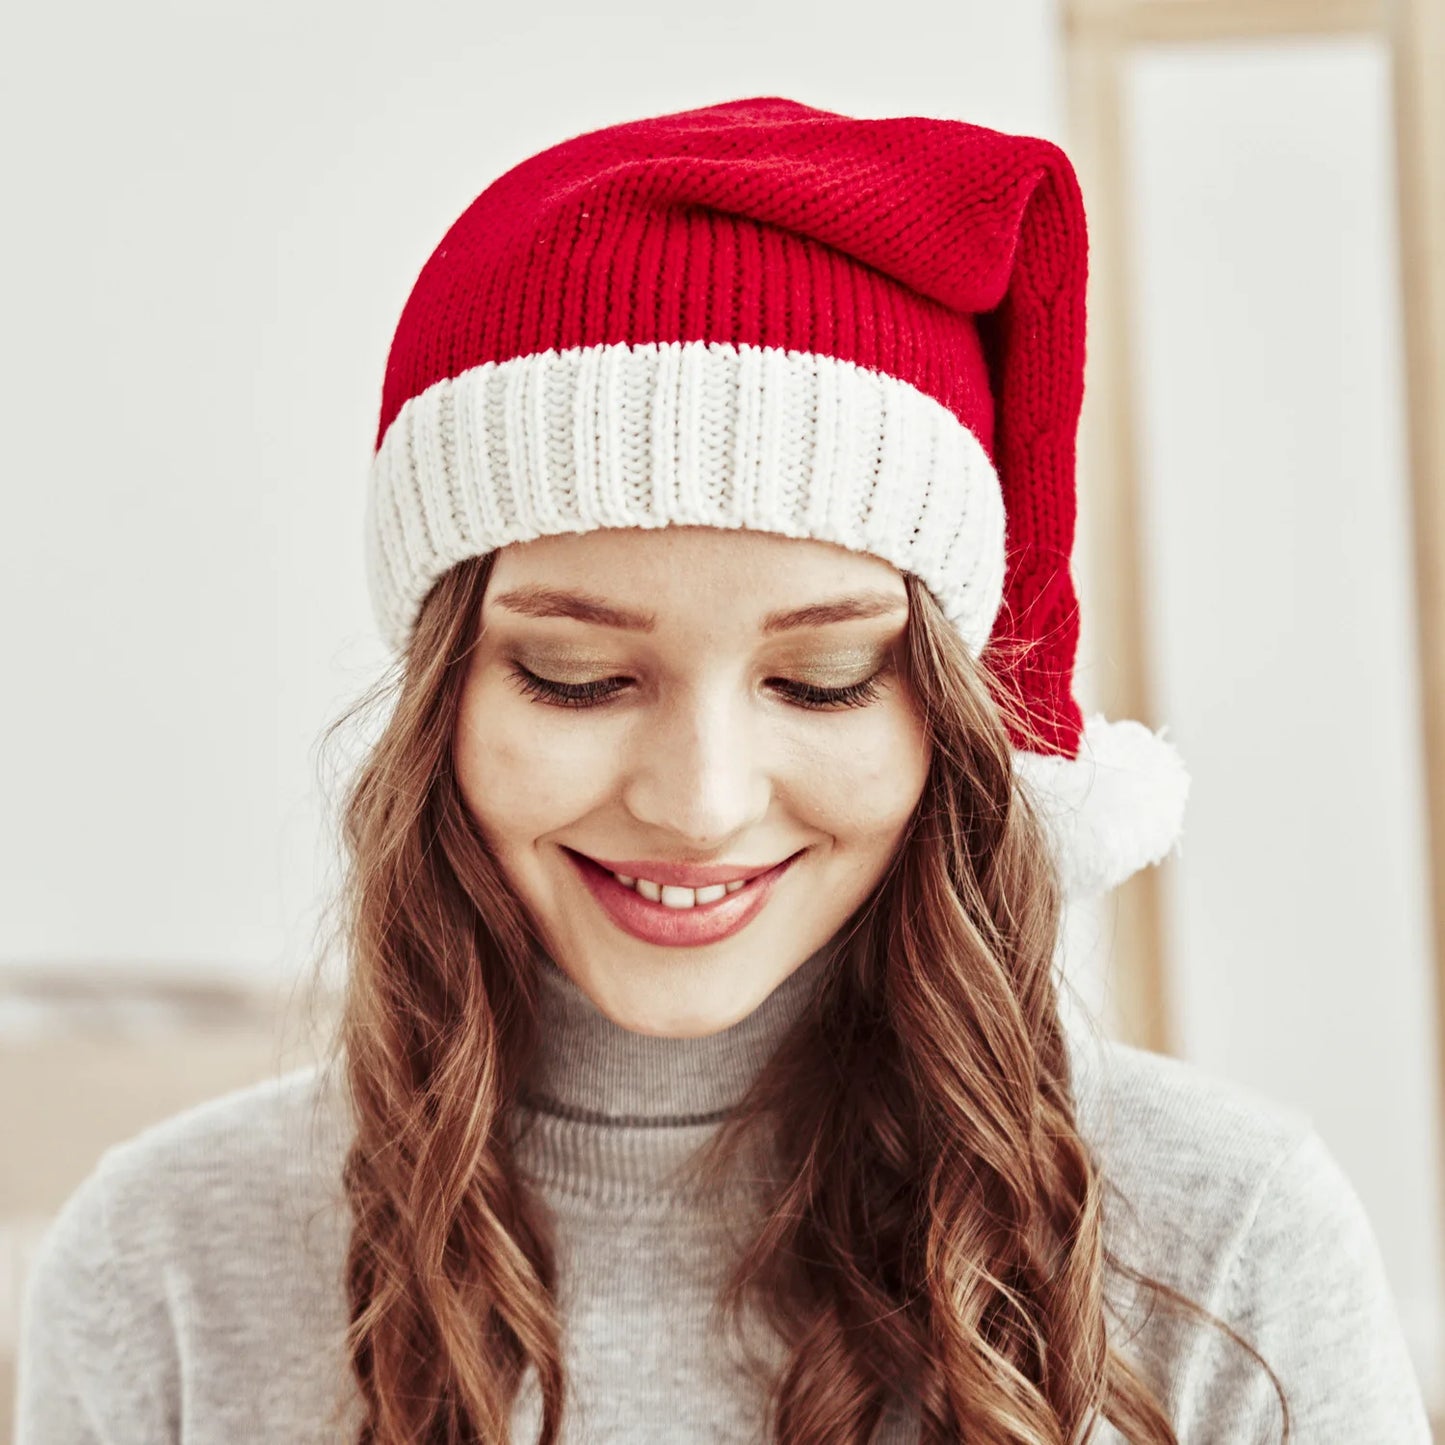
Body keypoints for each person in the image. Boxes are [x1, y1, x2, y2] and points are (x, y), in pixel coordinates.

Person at [13, 94, 1432, 1445]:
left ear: (940, 714)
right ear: (442, 695)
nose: (698, 801)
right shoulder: (166, 1267)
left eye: (819, 681)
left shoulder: (1224, 1234)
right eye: (577, 677)